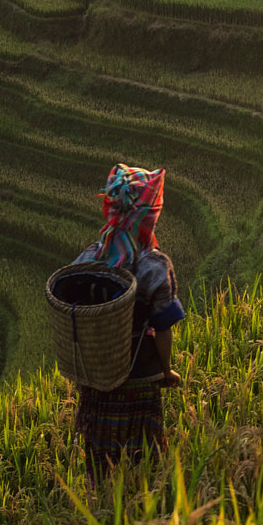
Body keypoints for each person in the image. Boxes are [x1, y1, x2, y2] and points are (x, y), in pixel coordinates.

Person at [70, 164, 185, 478]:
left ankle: (101, 503)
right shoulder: (154, 266)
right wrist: (166, 370)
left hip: (98, 373)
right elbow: (162, 328)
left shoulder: (90, 258)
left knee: (99, 453)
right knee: (144, 453)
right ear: (149, 217)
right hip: (140, 369)